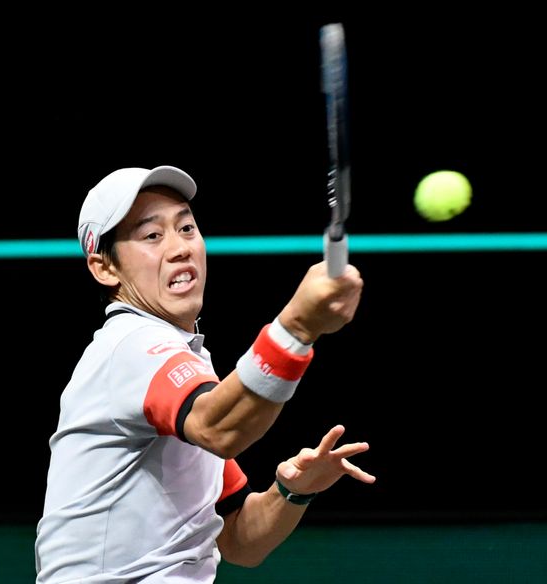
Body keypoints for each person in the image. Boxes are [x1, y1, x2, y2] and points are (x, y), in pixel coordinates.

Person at [35, 165, 374, 583]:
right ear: (105, 268)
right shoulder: (132, 346)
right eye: (151, 236)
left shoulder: (185, 362)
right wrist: (297, 327)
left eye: (186, 228)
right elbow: (219, 427)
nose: (179, 248)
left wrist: (293, 492)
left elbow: (237, 541)